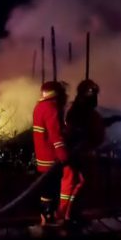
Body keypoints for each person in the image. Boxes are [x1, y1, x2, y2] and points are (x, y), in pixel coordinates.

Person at [58, 78, 121, 223]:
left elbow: (96, 125)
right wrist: (82, 138)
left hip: (81, 152)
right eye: (93, 93)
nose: (95, 98)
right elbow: (75, 129)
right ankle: (67, 214)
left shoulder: (86, 111)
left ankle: (71, 213)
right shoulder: (77, 110)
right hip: (76, 153)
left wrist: (115, 119)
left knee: (80, 183)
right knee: (74, 183)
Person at [32, 80, 69, 226]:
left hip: (42, 159)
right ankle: (48, 219)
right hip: (51, 160)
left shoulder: (39, 107)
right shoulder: (51, 109)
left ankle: (45, 218)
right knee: (51, 190)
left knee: (45, 191)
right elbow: (55, 135)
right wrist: (64, 156)